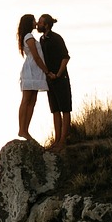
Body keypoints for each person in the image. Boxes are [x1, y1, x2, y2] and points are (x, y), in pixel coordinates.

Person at [37, 13, 71, 151]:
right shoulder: (42, 39)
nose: (38, 24)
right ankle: (56, 140)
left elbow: (65, 57)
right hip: (49, 80)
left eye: (40, 22)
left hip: (60, 78)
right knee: (55, 110)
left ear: (46, 24)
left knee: (65, 109)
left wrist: (58, 73)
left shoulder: (56, 38)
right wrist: (47, 74)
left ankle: (63, 140)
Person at [17, 13, 49, 141]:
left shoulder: (30, 37)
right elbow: (36, 56)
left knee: (32, 101)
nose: (36, 23)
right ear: (29, 23)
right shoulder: (29, 37)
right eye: (34, 20)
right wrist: (46, 71)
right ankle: (22, 129)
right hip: (31, 71)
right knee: (26, 100)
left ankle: (25, 129)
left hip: (35, 72)